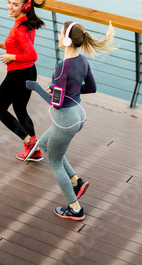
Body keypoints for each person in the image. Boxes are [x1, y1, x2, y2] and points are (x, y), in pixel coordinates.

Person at [26, 21, 117, 220]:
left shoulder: (62, 67)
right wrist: (64, 89)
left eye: (60, 34)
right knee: (45, 145)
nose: (58, 36)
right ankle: (77, 181)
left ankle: (75, 208)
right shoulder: (82, 60)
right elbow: (91, 88)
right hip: (78, 114)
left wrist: (35, 87)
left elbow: (55, 103)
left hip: (64, 119)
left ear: (67, 40)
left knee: (55, 162)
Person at [0, 0, 46, 161]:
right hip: (29, 72)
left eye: (15, 4)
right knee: (20, 109)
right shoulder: (25, 22)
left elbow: (32, 54)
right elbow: (20, 46)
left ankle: (29, 142)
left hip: (18, 74)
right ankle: (35, 152)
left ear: (25, 6)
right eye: (9, 2)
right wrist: (0, 45)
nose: (10, 7)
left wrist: (11, 57)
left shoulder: (20, 27)